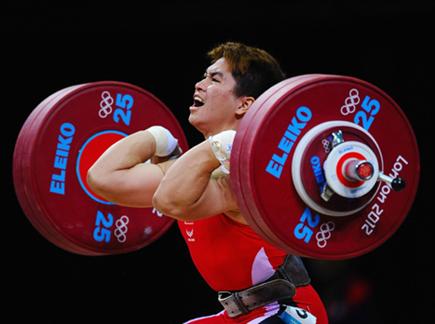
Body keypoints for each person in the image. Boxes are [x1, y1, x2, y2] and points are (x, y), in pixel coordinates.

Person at [87, 41, 328, 323]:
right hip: (240, 315)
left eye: (214, 79)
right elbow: (102, 179)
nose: (199, 84)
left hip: (286, 311)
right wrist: (155, 136)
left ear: (244, 104)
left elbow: (169, 201)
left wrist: (216, 146)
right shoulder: (196, 169)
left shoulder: (249, 175)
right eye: (204, 76)